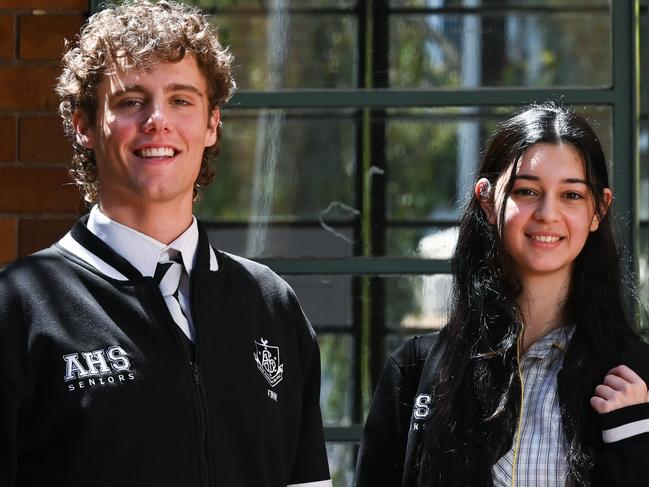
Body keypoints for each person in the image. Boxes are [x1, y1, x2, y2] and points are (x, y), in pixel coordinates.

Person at [0, 2, 331, 486]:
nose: (158, 120)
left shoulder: (271, 304)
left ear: (212, 123)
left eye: (181, 99)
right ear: (84, 125)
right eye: (131, 100)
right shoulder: (18, 310)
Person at [355, 103, 649, 487]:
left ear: (600, 209)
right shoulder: (415, 372)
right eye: (527, 191)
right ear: (487, 201)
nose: (547, 213)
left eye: (572, 195)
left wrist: (634, 440)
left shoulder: (634, 378)